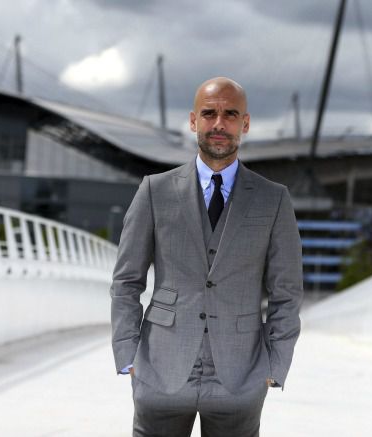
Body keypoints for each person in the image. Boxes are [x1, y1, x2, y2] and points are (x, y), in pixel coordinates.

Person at [110, 77, 303, 437]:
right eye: (209, 113)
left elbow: (287, 292)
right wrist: (127, 357)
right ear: (193, 120)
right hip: (159, 370)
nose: (218, 124)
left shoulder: (273, 198)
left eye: (230, 114)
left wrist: (275, 365)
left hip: (241, 375)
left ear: (244, 123)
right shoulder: (154, 190)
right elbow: (125, 281)